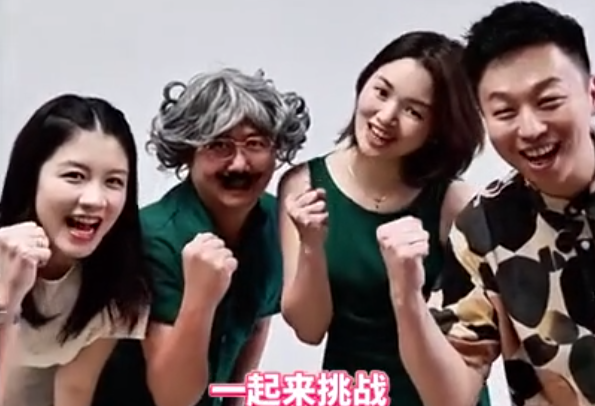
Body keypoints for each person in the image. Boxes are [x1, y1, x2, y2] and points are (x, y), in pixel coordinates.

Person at [379, 2, 595, 406]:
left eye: (548, 101)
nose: (530, 128)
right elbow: (451, 396)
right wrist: (406, 295)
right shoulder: (481, 228)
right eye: (504, 111)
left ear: (590, 94)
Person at [278, 31, 491, 405]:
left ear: (437, 128)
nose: (386, 117)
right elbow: (309, 330)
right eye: (381, 91)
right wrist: (311, 246)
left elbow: (474, 343)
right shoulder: (303, 185)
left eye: (414, 111)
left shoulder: (455, 204)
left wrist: (408, 285)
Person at [92, 68, 310, 406]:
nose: (239, 164)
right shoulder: (151, 237)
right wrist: (201, 296)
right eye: (218, 145)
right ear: (187, 150)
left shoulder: (276, 220)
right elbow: (173, 397)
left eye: (255, 144)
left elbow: (255, 320)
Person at [0, 94, 152, 406]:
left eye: (114, 181)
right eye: (74, 176)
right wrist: (7, 298)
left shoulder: (120, 284)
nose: (95, 200)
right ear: (31, 177)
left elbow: (76, 387)